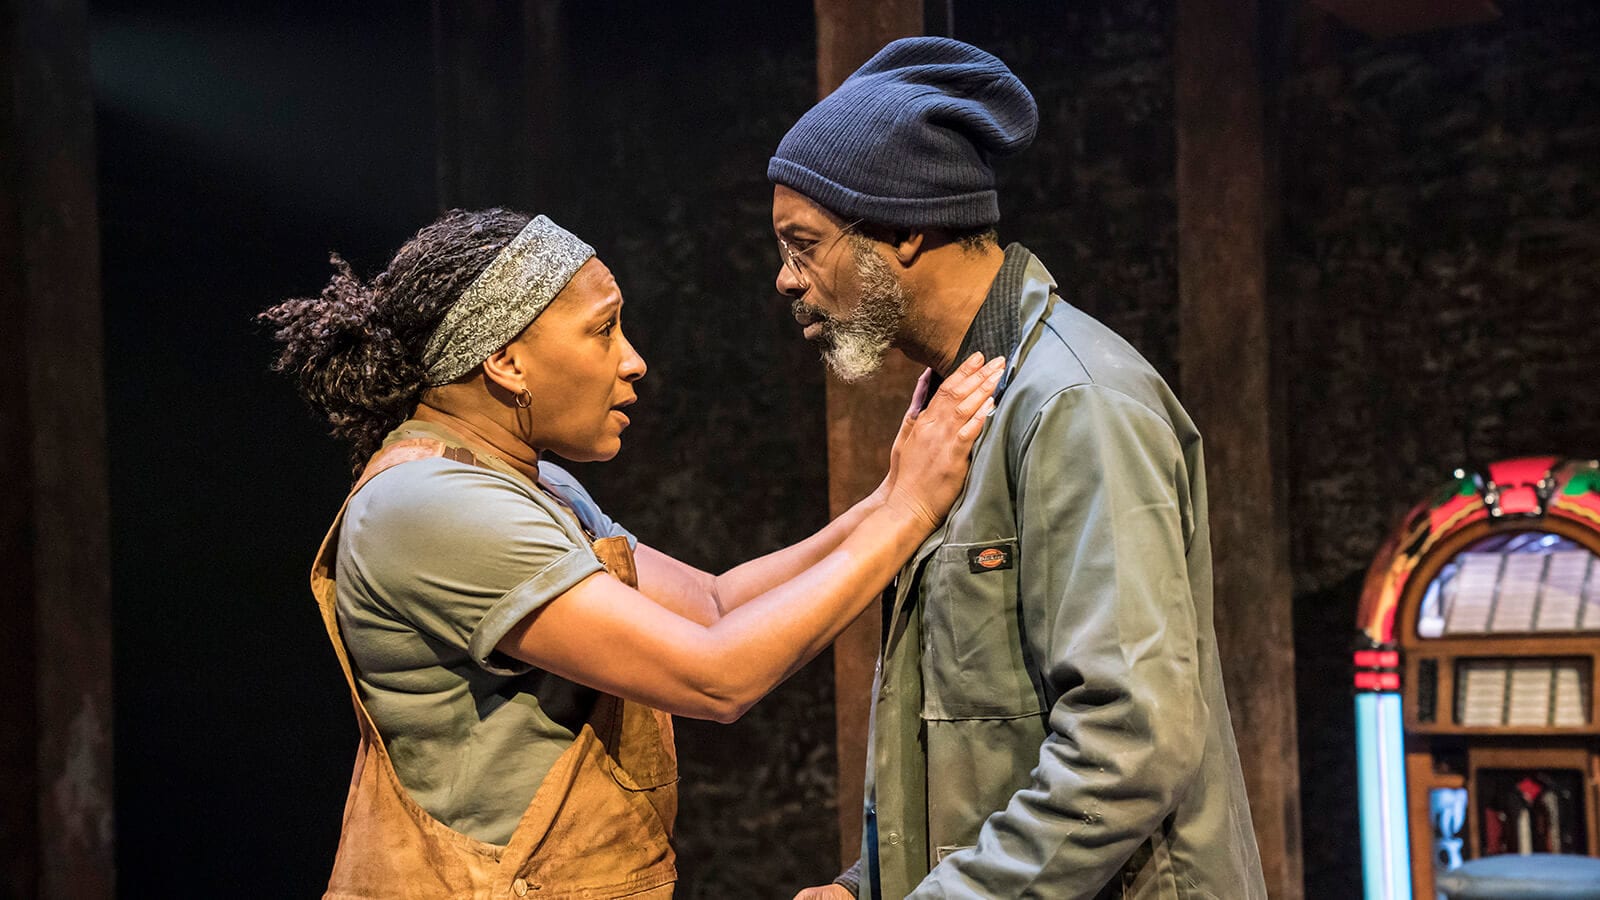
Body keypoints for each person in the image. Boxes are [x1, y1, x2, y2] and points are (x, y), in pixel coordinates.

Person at [260, 208, 1004, 899]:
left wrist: (888, 496)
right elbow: (716, 676)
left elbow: (715, 603)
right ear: (507, 361)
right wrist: (909, 510)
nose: (634, 361)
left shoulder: (531, 481)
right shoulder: (431, 507)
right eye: (603, 330)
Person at [771, 38, 1268, 899]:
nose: (786, 279)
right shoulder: (959, 405)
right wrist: (871, 883)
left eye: (803, 244)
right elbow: (974, 737)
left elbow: (1128, 745)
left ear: (904, 226)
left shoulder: (1075, 402)